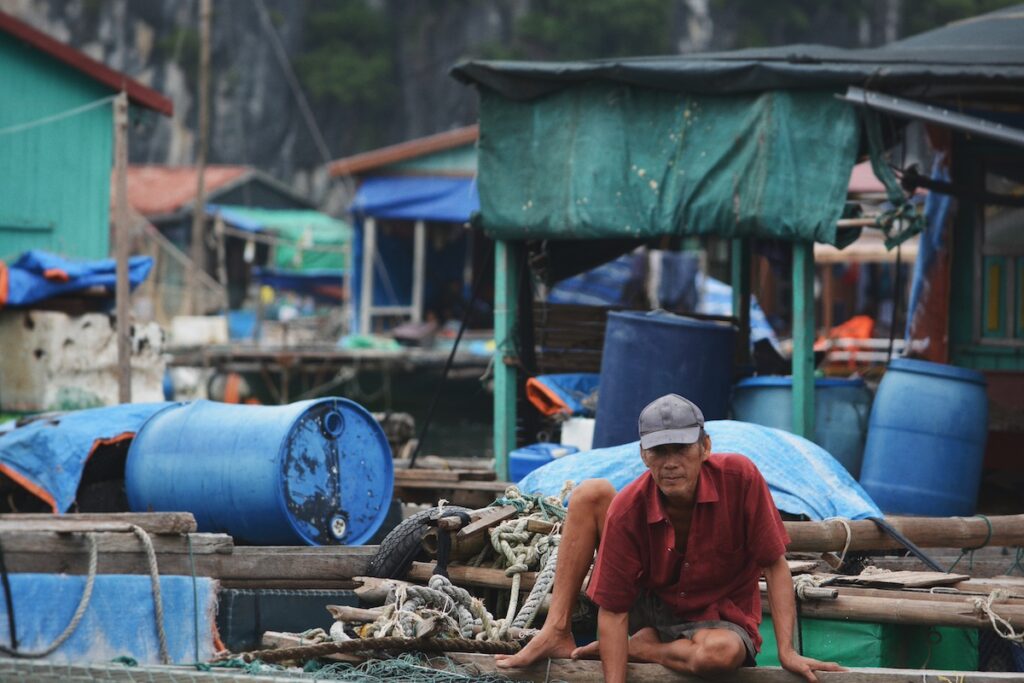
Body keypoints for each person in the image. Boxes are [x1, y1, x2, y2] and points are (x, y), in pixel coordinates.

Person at [495, 394, 844, 683]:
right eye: (660, 452)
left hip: (717, 612)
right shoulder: (629, 508)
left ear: (704, 447)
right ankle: (557, 630)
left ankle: (644, 648)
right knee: (589, 493)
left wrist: (787, 652)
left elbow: (775, 565)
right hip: (648, 601)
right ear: (644, 455)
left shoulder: (741, 478)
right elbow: (614, 611)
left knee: (720, 655)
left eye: (681, 449)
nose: (671, 463)